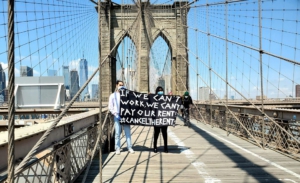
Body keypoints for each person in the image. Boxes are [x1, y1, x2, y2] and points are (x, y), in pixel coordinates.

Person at [108, 80, 135, 155]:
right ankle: (118, 148)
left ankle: (129, 147)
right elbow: (110, 107)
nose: (121, 86)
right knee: (117, 133)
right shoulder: (112, 95)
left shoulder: (127, 95)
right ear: (116, 85)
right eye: (120, 85)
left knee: (128, 133)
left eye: (122, 85)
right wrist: (115, 114)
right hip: (117, 116)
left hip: (126, 116)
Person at [153, 86, 169, 153]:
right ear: (156, 92)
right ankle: (155, 147)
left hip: (164, 118)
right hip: (156, 118)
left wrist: (179, 98)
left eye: (161, 90)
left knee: (164, 133)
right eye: (159, 90)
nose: (160, 91)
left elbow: (171, 104)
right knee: (156, 133)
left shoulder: (166, 98)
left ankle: (165, 147)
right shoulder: (153, 98)